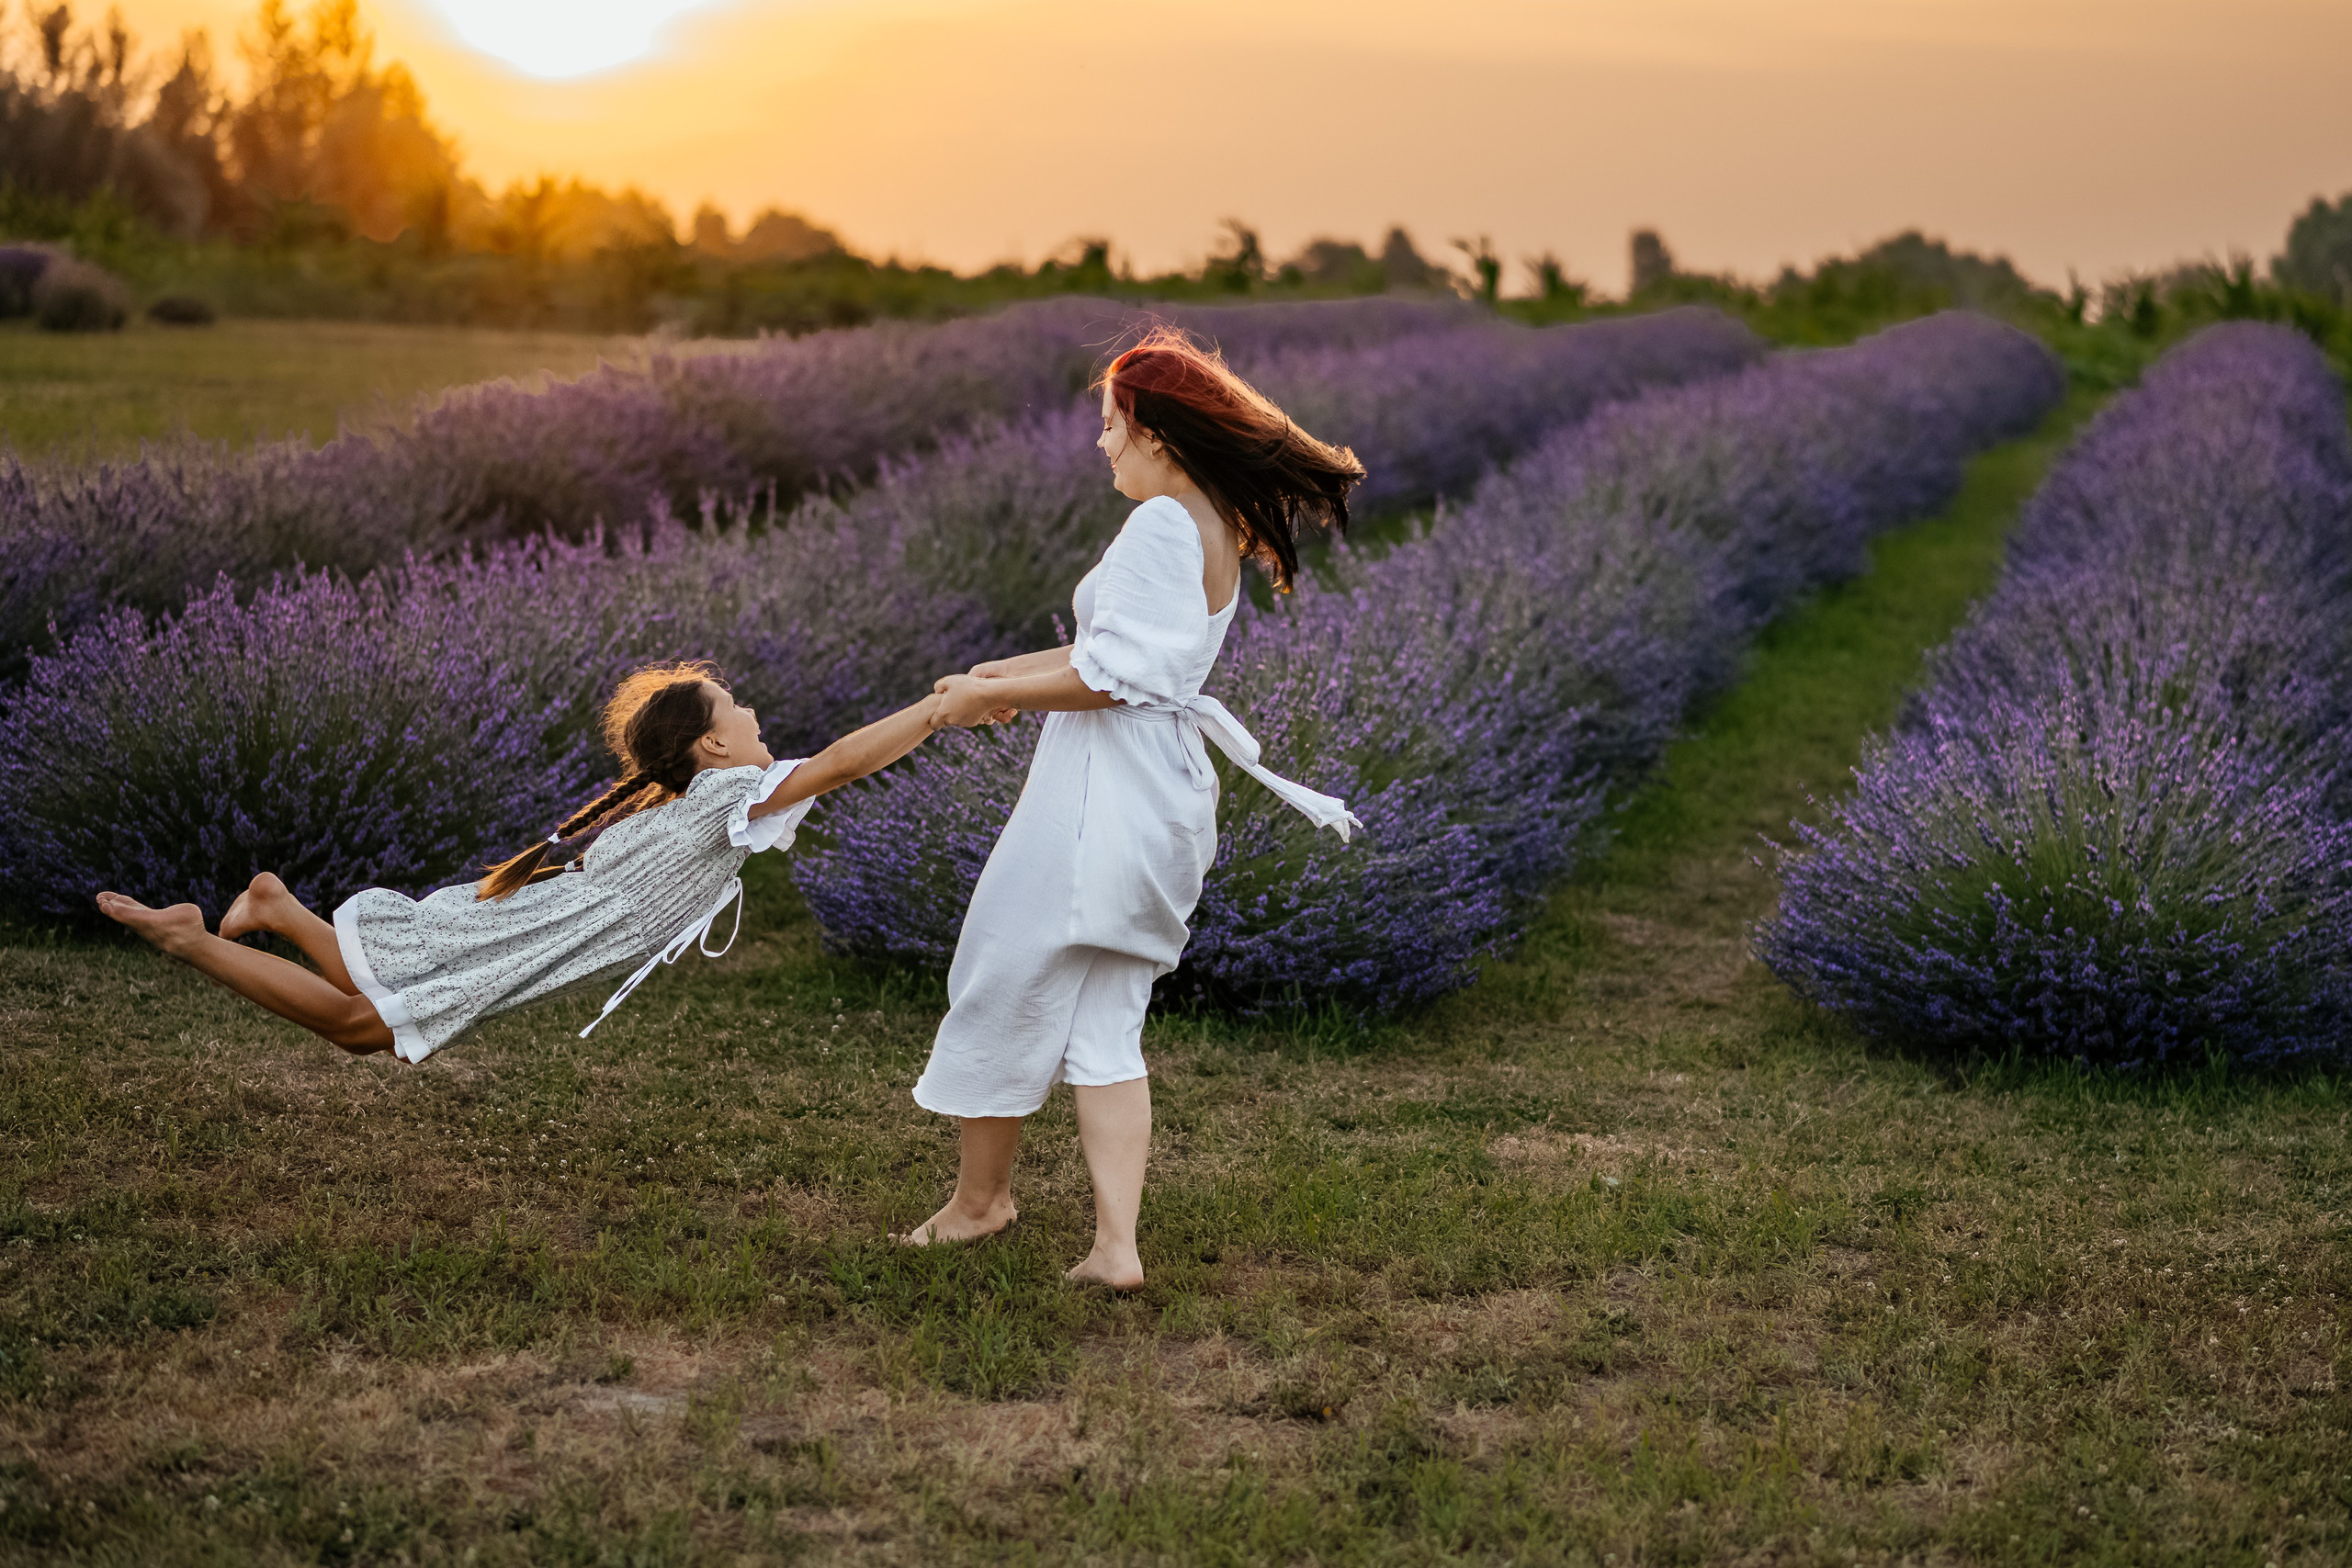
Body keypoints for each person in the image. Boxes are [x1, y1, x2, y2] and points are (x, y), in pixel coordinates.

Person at [913, 327, 1367, 1289]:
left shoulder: (1163, 524)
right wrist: (997, 678)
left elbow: (1114, 678)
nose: (1100, 443)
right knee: (1105, 1020)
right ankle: (1113, 1248)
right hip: (1153, 791)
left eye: (1110, 423)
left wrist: (998, 697)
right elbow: (1122, 658)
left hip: (1101, 797)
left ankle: (980, 1205)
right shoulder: (1209, 524)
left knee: (1000, 972)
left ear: (1155, 433)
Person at [97, 663, 942, 1062]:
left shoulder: (700, 798)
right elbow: (842, 761)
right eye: (739, 707)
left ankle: (279, 909)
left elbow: (828, 764)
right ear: (713, 744)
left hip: (541, 918)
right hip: (540, 929)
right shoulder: (733, 793)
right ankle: (194, 939)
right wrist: (941, 709)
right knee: (362, 1027)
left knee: (376, 995)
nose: (755, 712)